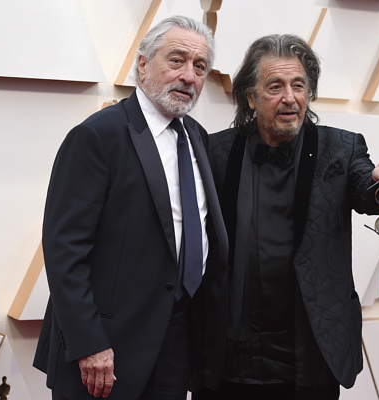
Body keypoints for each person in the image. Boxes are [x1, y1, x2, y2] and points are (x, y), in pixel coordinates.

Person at [195, 34, 379, 400]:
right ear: (251, 97)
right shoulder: (214, 151)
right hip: (229, 359)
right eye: (275, 86)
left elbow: (367, 187)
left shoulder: (341, 148)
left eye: (299, 86)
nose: (290, 97)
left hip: (308, 354)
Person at [33, 16, 228, 400]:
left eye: (200, 66)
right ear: (143, 64)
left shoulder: (197, 138)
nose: (189, 76)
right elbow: (64, 250)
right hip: (106, 349)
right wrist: (89, 343)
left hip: (176, 343)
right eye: (177, 60)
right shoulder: (97, 135)